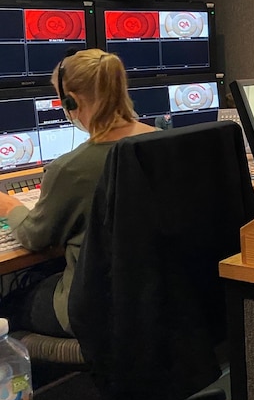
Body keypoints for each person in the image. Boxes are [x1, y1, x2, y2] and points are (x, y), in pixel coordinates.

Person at [0, 49, 155, 338]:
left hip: (99, 308)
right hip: (161, 295)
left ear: (74, 101)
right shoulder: (163, 142)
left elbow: (36, 237)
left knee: (10, 302)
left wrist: (9, 207)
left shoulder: (71, 169)